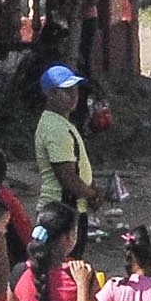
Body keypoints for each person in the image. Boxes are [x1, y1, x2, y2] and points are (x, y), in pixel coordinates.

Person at [33, 64, 96, 240]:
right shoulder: (55, 128)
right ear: (51, 94)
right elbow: (67, 177)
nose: (74, 95)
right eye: (66, 90)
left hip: (68, 208)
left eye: (75, 89)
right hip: (61, 210)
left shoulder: (60, 123)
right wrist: (93, 194)